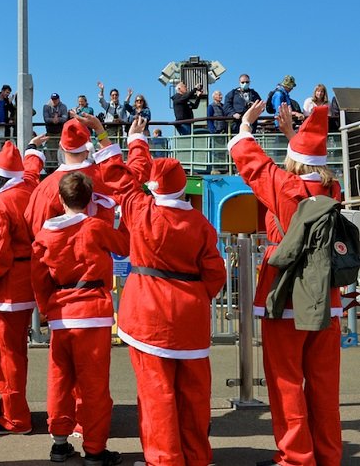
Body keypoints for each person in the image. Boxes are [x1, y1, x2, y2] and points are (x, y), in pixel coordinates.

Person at [88, 112, 226, 466]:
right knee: (195, 394)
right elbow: (215, 272)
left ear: (155, 187)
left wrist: (125, 139)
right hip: (190, 316)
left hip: (148, 312)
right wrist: (196, 296)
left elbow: (118, 179)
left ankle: (164, 459)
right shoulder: (201, 223)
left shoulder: (139, 209)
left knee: (156, 393)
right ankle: (197, 456)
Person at [228, 101, 343, 466]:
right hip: (327, 299)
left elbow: (251, 161)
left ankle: (296, 457)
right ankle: (328, 454)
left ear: (292, 161)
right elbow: (311, 166)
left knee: (286, 381)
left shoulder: (285, 186)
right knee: (324, 385)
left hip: (286, 298)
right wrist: (297, 137)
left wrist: (246, 125)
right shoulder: (333, 191)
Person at [32, 171, 129, 466]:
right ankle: (95, 449)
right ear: (89, 201)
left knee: (59, 380)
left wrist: (47, 309)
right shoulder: (95, 227)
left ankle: (59, 443)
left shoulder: (45, 234)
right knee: (94, 385)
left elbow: (38, 277)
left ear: (60, 199)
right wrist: (121, 215)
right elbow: (124, 246)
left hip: (61, 314)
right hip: (92, 314)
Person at [0, 138, 45, 435]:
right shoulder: (29, 189)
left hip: (5, 290)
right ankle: (9, 404)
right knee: (16, 352)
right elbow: (31, 170)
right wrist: (31, 148)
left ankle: (16, 417)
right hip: (27, 282)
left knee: (5, 356)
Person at [24, 120, 118, 238]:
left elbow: (36, 228)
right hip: (100, 251)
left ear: (61, 147)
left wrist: (31, 148)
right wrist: (100, 131)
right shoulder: (106, 177)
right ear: (88, 148)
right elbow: (126, 173)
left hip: (61, 254)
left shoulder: (47, 187)